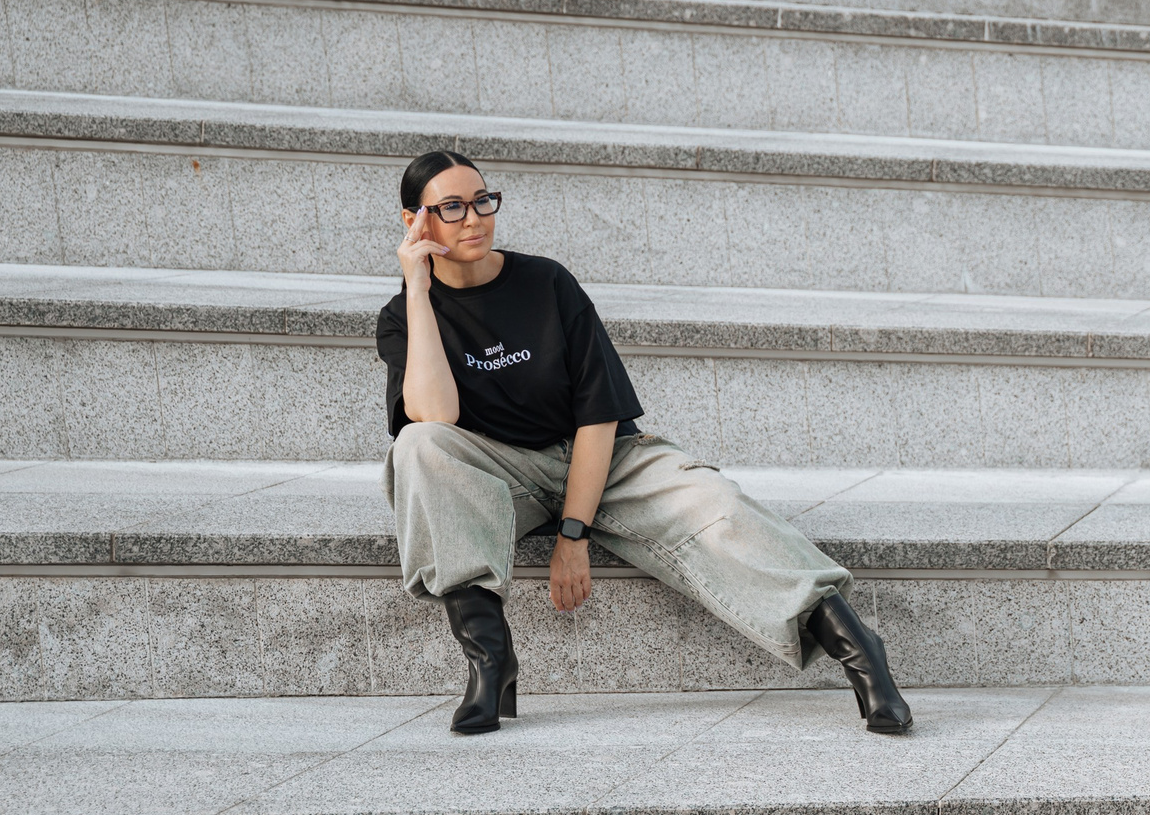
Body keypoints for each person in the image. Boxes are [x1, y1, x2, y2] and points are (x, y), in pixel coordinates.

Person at [378, 149, 911, 735]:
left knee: (716, 505)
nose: (474, 218)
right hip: (498, 473)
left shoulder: (545, 281)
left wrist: (573, 534)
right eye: (451, 207)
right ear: (415, 221)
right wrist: (418, 289)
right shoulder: (404, 314)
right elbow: (435, 415)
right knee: (418, 446)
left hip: (606, 460)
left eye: (483, 200)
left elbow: (597, 412)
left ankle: (862, 656)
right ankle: (490, 661)